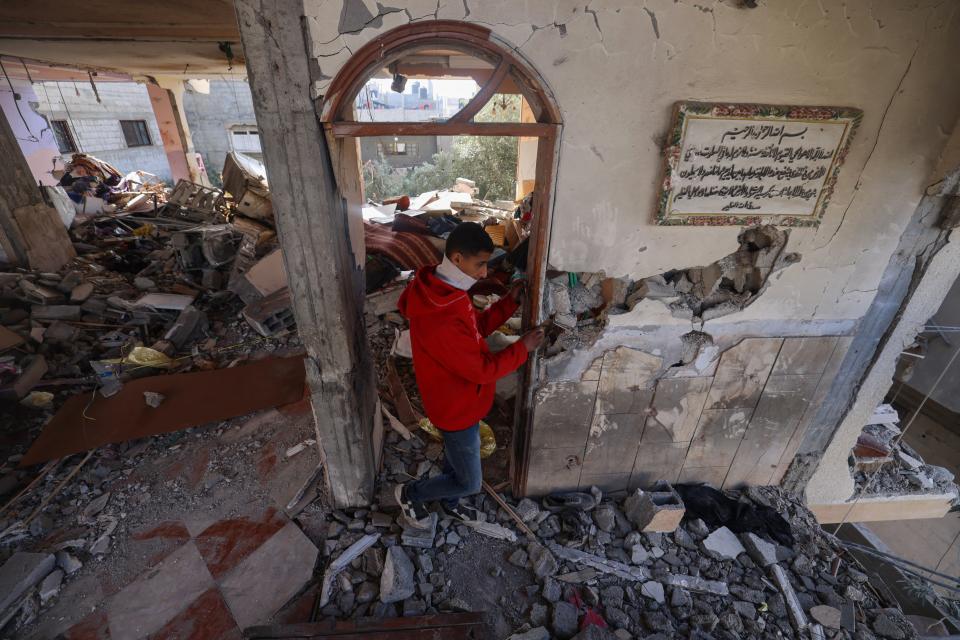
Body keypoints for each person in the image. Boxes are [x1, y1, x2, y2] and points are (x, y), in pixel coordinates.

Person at [395, 221, 545, 526]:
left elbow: (473, 331)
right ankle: (411, 493)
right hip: (456, 410)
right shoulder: (441, 315)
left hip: (458, 401)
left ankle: (449, 500)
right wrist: (523, 349)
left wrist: (507, 305)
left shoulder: (442, 292)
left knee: (458, 462)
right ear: (458, 259)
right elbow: (481, 370)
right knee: (470, 482)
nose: (484, 273)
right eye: (479, 264)